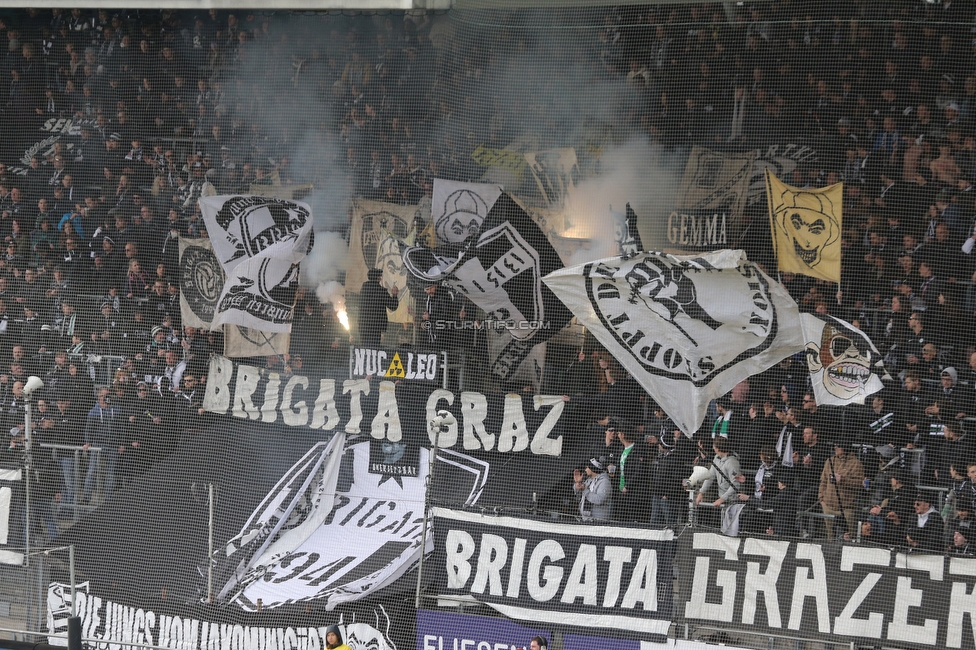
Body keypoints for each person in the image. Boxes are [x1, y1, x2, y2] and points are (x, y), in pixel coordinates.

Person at [819, 439, 865, 538]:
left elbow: (859, 484)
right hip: (828, 505)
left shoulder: (856, 463)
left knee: (848, 537)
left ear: (845, 447)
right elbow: (823, 481)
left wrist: (843, 480)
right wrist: (821, 499)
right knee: (830, 537)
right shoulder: (830, 461)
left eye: (838, 446)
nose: (835, 447)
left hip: (846, 508)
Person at [358, 267, 398, 347]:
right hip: (376, 326)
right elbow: (393, 306)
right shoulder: (381, 291)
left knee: (364, 348)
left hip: (363, 325)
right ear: (378, 278)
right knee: (373, 349)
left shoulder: (363, 289)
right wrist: (394, 295)